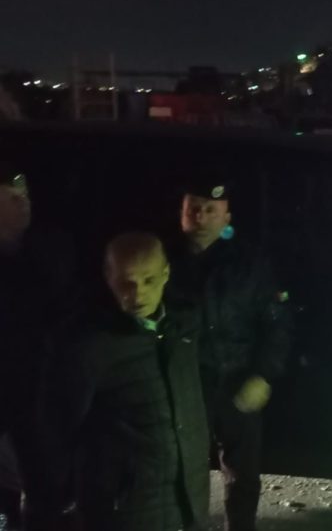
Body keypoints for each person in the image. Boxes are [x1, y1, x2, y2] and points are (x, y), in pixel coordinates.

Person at [44, 232, 209, 531]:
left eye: (148, 280)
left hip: (189, 504)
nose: (138, 294)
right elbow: (55, 431)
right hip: (124, 512)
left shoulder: (184, 328)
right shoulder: (90, 346)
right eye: (126, 283)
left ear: (166, 274)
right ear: (108, 277)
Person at [168, 177, 291, 531]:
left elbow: (277, 322)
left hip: (236, 379)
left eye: (211, 210)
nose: (201, 217)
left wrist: (263, 375)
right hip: (185, 384)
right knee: (184, 470)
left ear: (227, 218)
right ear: (182, 214)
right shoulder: (164, 259)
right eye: (194, 209)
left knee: (242, 474)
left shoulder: (248, 263)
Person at [0, 163, 76, 528]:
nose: (24, 203)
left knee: (45, 492)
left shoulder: (52, 247)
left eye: (26, 195)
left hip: (41, 394)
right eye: (13, 197)